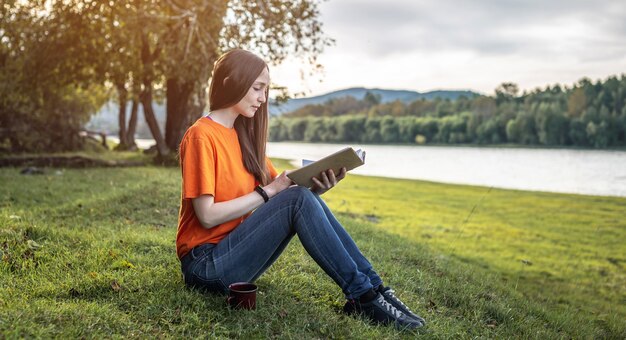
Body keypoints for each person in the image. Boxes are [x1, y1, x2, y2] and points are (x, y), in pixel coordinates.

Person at [176, 49, 425, 330]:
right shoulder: (201, 135)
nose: (263, 98)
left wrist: (318, 186)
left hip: (234, 255)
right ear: (230, 82)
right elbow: (207, 215)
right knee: (295, 198)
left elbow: (291, 199)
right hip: (205, 266)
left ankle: (375, 289)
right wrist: (268, 192)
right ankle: (363, 296)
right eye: (258, 88)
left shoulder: (242, 137)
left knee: (300, 196)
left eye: (266, 90)